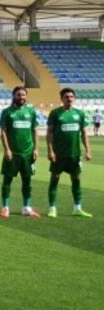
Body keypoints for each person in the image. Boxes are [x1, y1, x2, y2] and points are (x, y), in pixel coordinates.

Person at [46, 88, 93, 218]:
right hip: (59, 154)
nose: (69, 99)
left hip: (74, 155)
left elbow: (84, 133)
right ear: (61, 99)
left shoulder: (79, 114)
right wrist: (50, 150)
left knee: (76, 180)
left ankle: (77, 208)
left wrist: (88, 150)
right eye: (66, 97)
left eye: (71, 97)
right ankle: (52, 208)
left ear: (74, 98)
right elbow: (49, 132)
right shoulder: (55, 113)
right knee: (54, 180)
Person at [0, 87, 39, 218]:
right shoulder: (7, 112)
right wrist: (7, 149)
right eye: (18, 95)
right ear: (14, 96)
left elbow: (35, 130)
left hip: (28, 153)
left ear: (26, 96)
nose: (21, 97)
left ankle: (26, 207)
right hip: (13, 153)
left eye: (23, 95)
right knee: (7, 181)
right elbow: (3, 131)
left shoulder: (31, 112)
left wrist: (36, 148)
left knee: (27, 181)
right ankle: (5, 207)